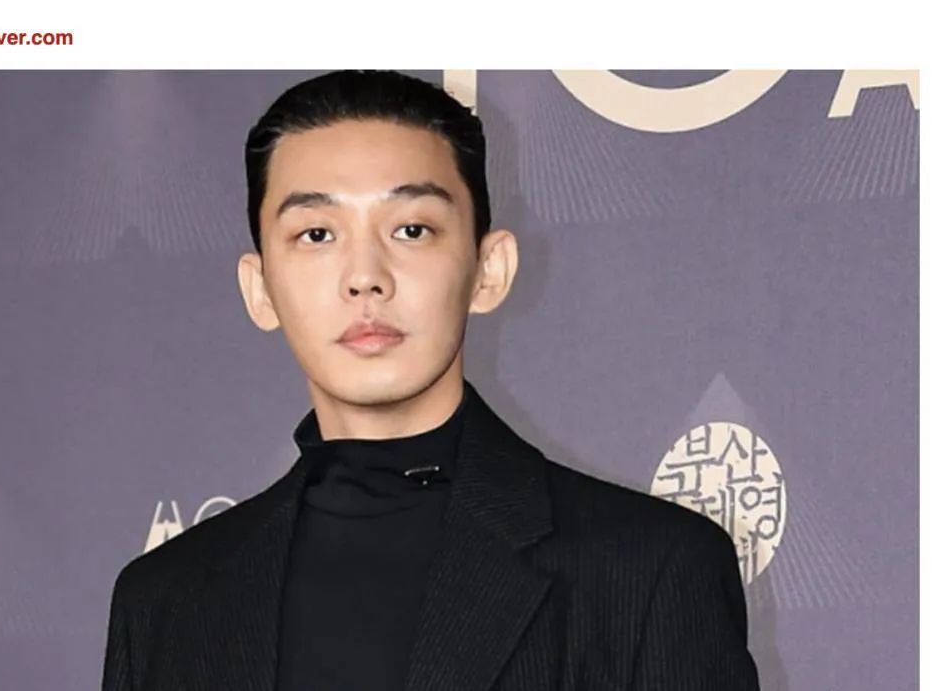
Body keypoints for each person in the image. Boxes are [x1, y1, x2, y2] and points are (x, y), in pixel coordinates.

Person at [100, 70, 760, 690]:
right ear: (259, 289)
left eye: (411, 229)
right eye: (317, 234)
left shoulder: (649, 569)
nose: (365, 276)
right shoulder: (162, 601)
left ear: (489, 270)